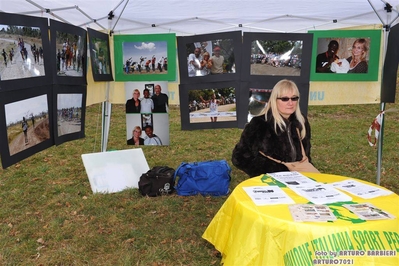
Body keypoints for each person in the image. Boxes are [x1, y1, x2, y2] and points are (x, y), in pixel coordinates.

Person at [231, 79, 316, 177]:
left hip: (301, 174)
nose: (290, 103)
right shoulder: (260, 123)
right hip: (273, 178)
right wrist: (262, 173)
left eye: (294, 98)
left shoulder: (301, 121)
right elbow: (239, 157)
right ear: (274, 100)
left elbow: (306, 153)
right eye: (284, 99)